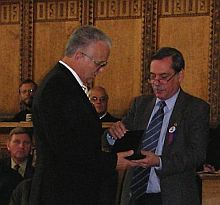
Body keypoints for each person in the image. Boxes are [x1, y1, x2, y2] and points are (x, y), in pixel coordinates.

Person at [29, 25, 136, 205]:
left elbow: (78, 137)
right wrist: (111, 161)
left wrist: (108, 138)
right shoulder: (57, 87)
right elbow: (65, 148)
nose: (101, 70)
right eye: (99, 64)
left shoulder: (65, 83)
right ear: (79, 55)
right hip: (61, 193)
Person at [107, 47, 210, 205]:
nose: (156, 83)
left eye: (163, 77)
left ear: (180, 75)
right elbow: (116, 141)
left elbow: (197, 154)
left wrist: (159, 161)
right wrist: (112, 135)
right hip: (135, 195)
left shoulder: (195, 108)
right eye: (152, 77)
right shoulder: (140, 104)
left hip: (173, 196)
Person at [88, 85, 120, 205]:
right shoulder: (80, 123)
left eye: (102, 99)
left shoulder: (117, 124)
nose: (99, 103)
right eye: (94, 99)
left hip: (107, 175)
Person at [0, 127, 34, 205]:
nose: (21, 146)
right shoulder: (1, 166)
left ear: (31, 146)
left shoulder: (37, 168)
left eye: (26, 143)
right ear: (8, 145)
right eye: (16, 142)